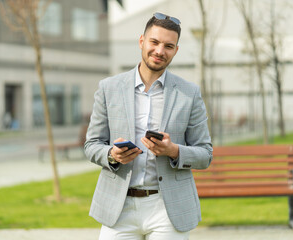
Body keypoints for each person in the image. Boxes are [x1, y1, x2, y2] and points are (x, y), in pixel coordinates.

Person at [84, 12, 213, 240]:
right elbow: (92, 145)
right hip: (118, 208)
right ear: (142, 41)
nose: (160, 51)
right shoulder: (108, 88)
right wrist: (112, 155)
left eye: (168, 46)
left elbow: (205, 154)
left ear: (176, 50)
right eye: (154, 42)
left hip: (167, 208)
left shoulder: (189, 93)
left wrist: (173, 151)